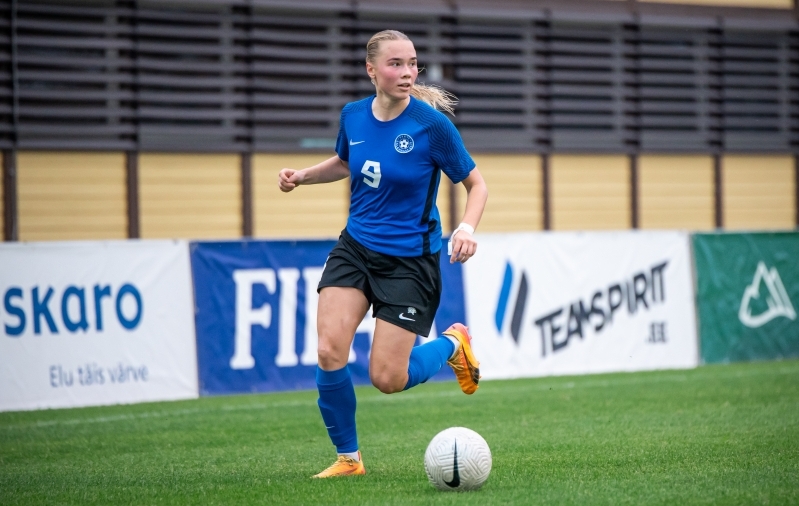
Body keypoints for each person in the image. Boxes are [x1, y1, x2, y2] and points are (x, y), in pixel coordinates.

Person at [278, 29, 488, 478]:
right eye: (396, 64)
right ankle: (348, 460)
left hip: (410, 262)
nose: (408, 73)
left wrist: (466, 228)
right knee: (329, 349)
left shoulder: (432, 126)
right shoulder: (352, 115)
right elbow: (345, 162)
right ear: (371, 69)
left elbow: (476, 184)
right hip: (355, 248)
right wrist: (303, 176)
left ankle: (453, 344)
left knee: (387, 379)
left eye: (413, 63)